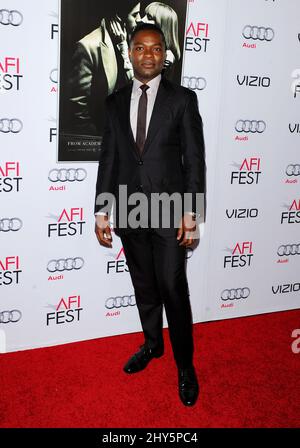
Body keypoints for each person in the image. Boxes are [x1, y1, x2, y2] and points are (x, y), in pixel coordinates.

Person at [94, 23, 206, 406]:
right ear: (130, 53)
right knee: (143, 285)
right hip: (130, 209)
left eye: (156, 48)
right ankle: (152, 344)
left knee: (173, 287)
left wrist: (192, 213)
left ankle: (185, 365)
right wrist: (102, 211)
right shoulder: (114, 101)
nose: (148, 55)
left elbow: (194, 161)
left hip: (170, 211)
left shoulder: (183, 100)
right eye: (141, 48)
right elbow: (109, 158)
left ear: (164, 54)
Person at [68, 1, 141, 136]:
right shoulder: (88, 46)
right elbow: (78, 106)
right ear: (120, 19)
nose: (140, 19)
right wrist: (96, 138)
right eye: (135, 14)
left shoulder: (129, 42)